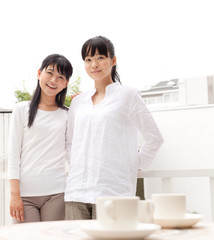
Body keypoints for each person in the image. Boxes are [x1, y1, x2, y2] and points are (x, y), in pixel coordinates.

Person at [64, 36, 164, 220]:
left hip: (113, 192)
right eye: (88, 59)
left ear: (113, 60)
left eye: (100, 57)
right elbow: (69, 142)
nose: (94, 64)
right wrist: (79, 164)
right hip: (76, 192)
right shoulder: (78, 102)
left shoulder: (128, 95)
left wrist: (134, 164)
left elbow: (154, 138)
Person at [8, 54, 73, 223]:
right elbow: (13, 154)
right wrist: (15, 195)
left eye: (60, 77)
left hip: (57, 193)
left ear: (65, 84)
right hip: (25, 195)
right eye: (50, 73)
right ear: (39, 73)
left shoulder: (67, 114)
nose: (53, 80)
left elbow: (71, 151)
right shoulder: (21, 109)